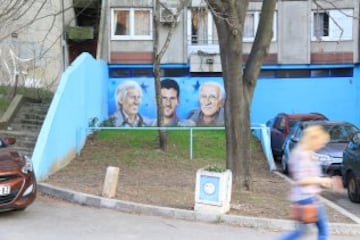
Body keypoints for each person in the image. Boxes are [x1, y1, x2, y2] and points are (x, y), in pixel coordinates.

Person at [278, 125, 343, 240]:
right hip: (306, 198)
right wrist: (323, 180)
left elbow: (309, 176)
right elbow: (302, 179)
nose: (322, 145)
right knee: (323, 230)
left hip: (302, 197)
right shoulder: (303, 156)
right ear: (313, 140)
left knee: (301, 231)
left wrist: (326, 182)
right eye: (321, 142)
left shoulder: (304, 153)